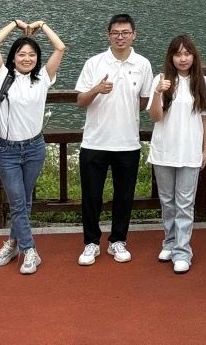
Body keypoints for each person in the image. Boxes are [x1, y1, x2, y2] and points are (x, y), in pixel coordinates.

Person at [0, 18, 65, 275]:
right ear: (13, 57)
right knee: (18, 203)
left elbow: (60, 47)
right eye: (21, 54)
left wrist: (42, 26)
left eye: (32, 54)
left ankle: (12, 243)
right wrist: (15, 25)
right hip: (7, 150)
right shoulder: (2, 77)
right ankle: (29, 250)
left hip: (34, 148)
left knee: (24, 202)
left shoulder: (42, 78)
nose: (27, 58)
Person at [74, 13, 154, 266]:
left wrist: (124, 110)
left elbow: (144, 100)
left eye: (125, 33)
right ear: (108, 35)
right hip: (94, 142)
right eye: (116, 33)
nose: (120, 37)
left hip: (127, 142)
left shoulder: (142, 64)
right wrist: (96, 90)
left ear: (134, 35)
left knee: (124, 196)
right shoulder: (94, 63)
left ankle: (118, 240)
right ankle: (91, 242)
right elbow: (80, 101)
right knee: (91, 196)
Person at [147, 34, 206, 274]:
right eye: (178, 54)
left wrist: (205, 149)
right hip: (164, 150)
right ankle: (169, 242)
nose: (183, 59)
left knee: (185, 203)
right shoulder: (161, 80)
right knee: (167, 202)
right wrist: (157, 92)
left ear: (193, 56)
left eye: (187, 54)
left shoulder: (202, 83)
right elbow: (155, 117)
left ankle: (182, 251)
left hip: (189, 150)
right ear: (171, 57)